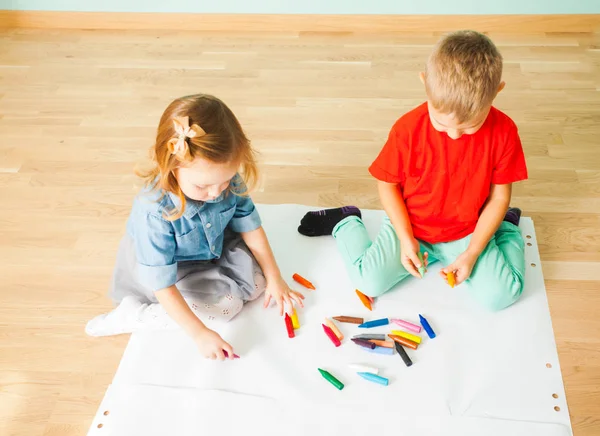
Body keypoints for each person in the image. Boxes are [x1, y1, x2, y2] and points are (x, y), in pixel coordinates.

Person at [298, 30, 528, 311]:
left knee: (504, 295)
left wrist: (472, 252)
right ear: (425, 83)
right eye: (442, 124)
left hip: (467, 232)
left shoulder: (504, 131)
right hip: (410, 227)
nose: (455, 136)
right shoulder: (407, 130)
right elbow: (387, 185)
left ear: (497, 92)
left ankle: (506, 229)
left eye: (469, 126)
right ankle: (345, 222)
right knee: (368, 282)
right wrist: (406, 241)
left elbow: (499, 198)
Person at [86, 94, 304, 359]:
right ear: (171, 166)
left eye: (224, 182)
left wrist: (275, 278)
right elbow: (163, 285)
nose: (216, 193)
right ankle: (137, 314)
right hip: (174, 270)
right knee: (227, 308)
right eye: (202, 186)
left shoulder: (226, 180)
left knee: (259, 284)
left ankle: (222, 289)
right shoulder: (154, 211)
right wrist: (199, 333)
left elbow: (251, 229)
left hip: (212, 249)